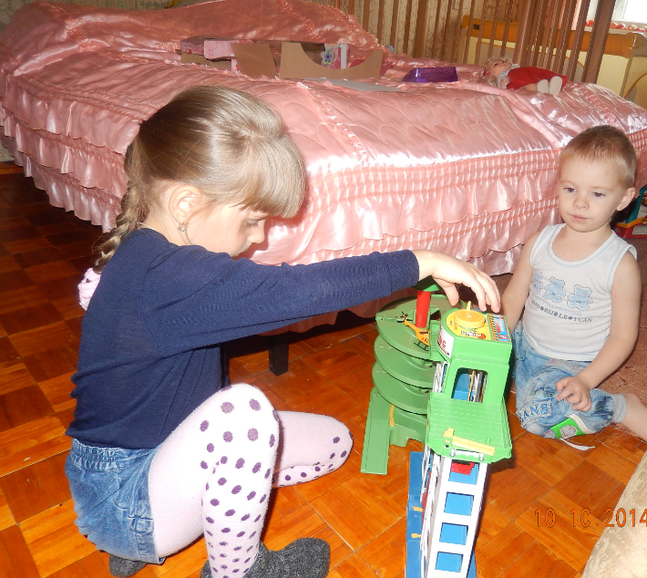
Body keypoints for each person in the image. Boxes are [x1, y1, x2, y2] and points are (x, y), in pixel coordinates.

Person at [65, 85, 501, 578]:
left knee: (334, 443)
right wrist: (420, 260)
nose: (260, 236)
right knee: (244, 414)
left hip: (162, 462)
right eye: (253, 220)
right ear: (186, 203)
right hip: (122, 496)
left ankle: (183, 519)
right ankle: (239, 569)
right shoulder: (170, 278)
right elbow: (298, 292)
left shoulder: (155, 257)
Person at [501, 125, 647, 445]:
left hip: (571, 364)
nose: (580, 203)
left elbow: (622, 336)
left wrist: (586, 380)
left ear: (623, 198)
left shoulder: (620, 265)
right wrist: (498, 339)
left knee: (537, 419)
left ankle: (620, 406)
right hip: (524, 343)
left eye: (597, 194)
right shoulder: (539, 241)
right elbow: (515, 295)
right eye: (571, 189)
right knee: (467, 358)